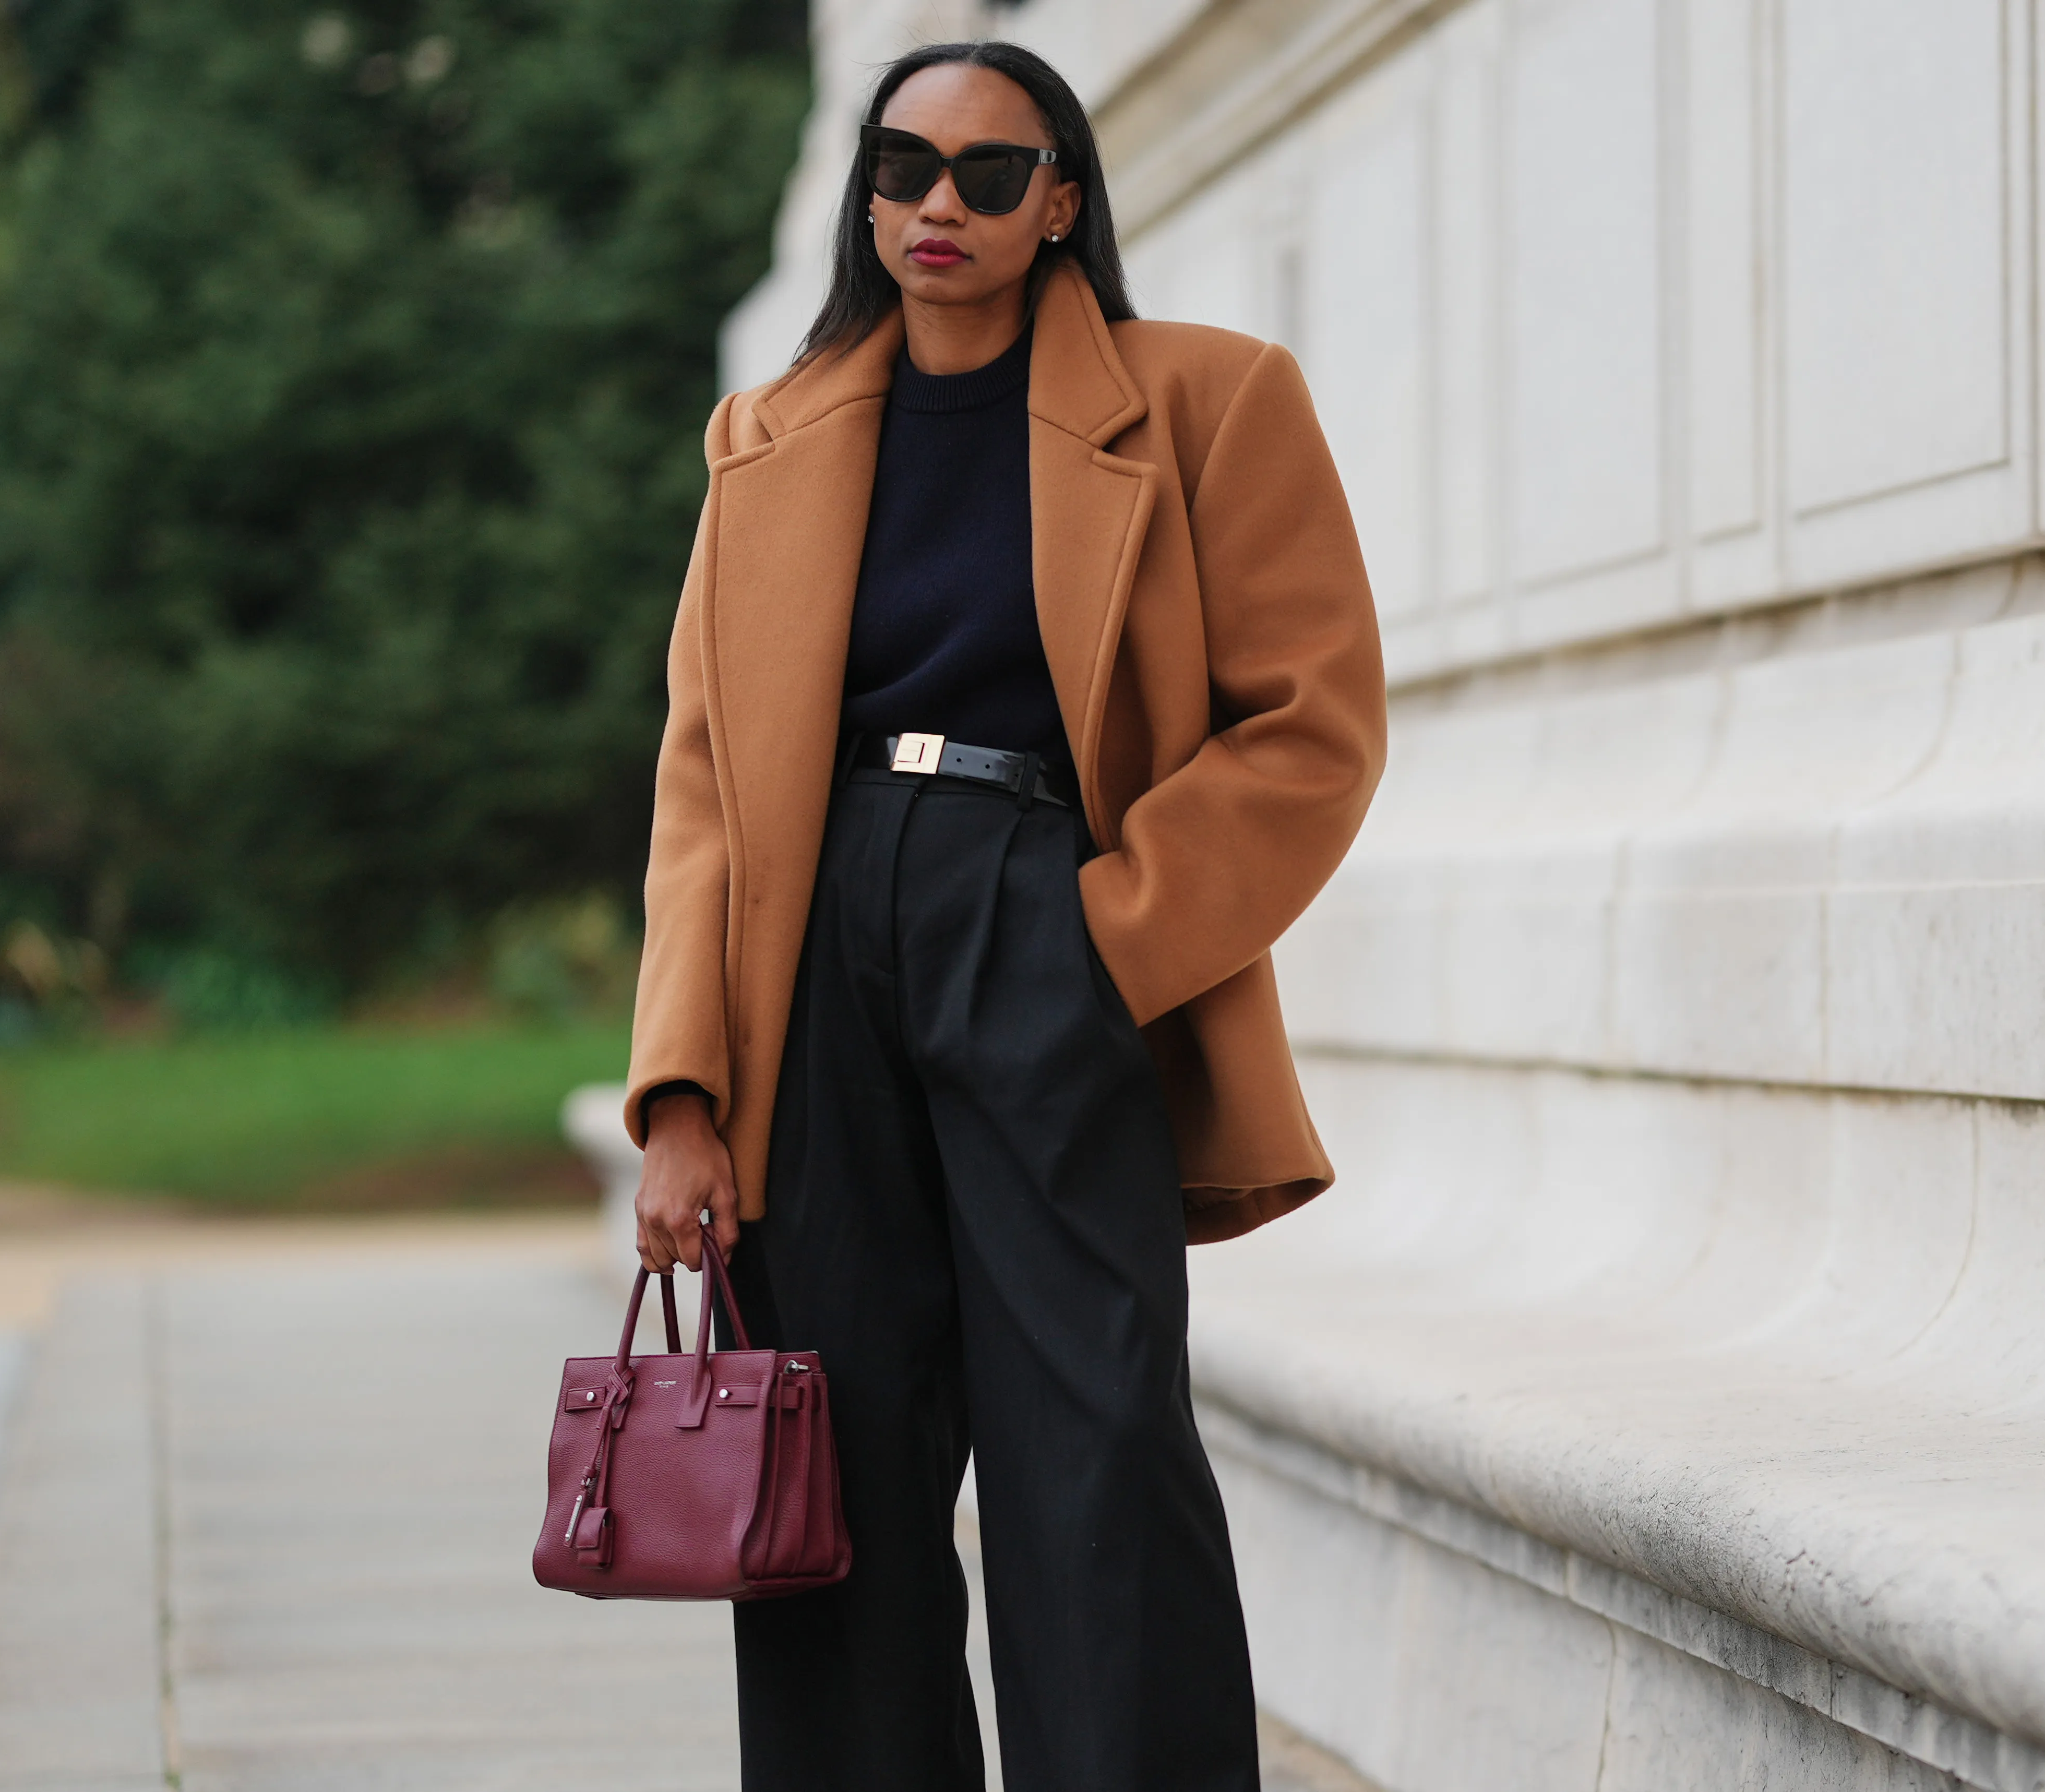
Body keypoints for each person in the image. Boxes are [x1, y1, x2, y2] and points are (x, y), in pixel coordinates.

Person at [624, 38, 1385, 1792]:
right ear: (864, 194)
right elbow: (702, 793)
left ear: (1060, 202)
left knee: (1095, 1446)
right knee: (840, 1469)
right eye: (901, 168)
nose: (936, 207)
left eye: (985, 173)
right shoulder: (768, 441)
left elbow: (1313, 724)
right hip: (812, 957)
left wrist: (1106, 941)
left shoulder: (1207, 397)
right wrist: (681, 1094)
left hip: (1047, 921)